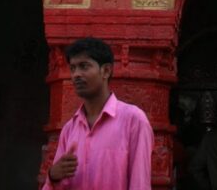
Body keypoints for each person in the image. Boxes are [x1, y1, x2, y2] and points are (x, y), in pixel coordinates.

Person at [44, 36, 153, 189]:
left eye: (84, 66)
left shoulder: (133, 120)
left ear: (106, 71)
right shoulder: (70, 129)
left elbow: (140, 184)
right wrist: (53, 176)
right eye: (73, 68)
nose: (76, 75)